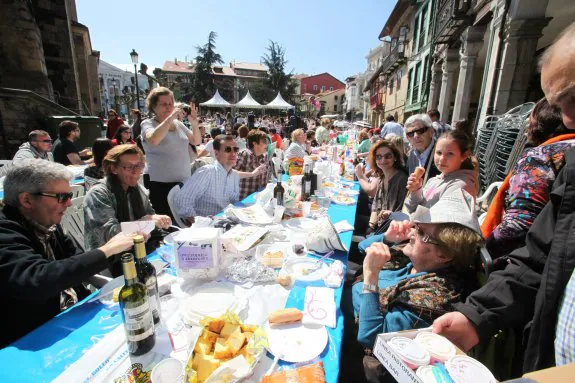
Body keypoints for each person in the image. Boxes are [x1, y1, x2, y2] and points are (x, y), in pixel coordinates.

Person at [432, 23, 575, 373]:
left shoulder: (543, 157)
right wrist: (477, 315)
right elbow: (540, 256)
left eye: (573, 99)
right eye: (560, 106)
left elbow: (519, 226)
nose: (568, 119)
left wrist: (484, 241)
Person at [0, 159, 137, 348]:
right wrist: (108, 249)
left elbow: (76, 260)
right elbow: (37, 280)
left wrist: (122, 246)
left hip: (71, 316)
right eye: (62, 197)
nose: (70, 203)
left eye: (70, 195)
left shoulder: (46, 222)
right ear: (26, 200)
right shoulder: (5, 231)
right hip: (36, 338)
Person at [343, 189, 483, 351]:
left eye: (421, 232)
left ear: (444, 255)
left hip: (346, 336)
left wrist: (371, 278)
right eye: (416, 226)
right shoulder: (416, 259)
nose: (412, 232)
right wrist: (387, 238)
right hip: (343, 297)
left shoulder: (431, 296)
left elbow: (371, 337)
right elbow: (363, 248)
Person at [482, 98, 575, 259]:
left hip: (533, 261)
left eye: (530, 121)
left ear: (538, 124)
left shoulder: (540, 158)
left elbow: (517, 226)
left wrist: (480, 252)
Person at [84, 145, 172, 277]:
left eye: (139, 166)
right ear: (113, 169)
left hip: (141, 252)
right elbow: (109, 235)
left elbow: (150, 215)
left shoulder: (138, 189)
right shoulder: (99, 194)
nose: (136, 172)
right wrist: (145, 222)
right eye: (129, 167)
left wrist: (158, 219)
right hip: (111, 262)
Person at [174, 135, 263, 225]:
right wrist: (199, 224)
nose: (233, 153)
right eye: (228, 150)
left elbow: (233, 202)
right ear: (216, 153)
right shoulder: (207, 172)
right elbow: (182, 200)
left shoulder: (233, 175)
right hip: (210, 227)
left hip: (227, 222)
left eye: (235, 149)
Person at [141, 87, 201, 218]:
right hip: (161, 186)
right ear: (153, 106)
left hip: (184, 184)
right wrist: (170, 118)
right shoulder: (147, 123)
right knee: (166, 226)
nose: (168, 107)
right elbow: (154, 139)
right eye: (163, 104)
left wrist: (194, 123)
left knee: (186, 222)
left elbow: (196, 141)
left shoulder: (178, 124)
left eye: (170, 104)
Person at [404, 130, 477, 213]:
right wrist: (416, 190)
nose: (442, 159)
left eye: (450, 154)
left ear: (464, 156)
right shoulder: (433, 180)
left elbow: (441, 221)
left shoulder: (461, 186)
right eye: (439, 152)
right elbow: (411, 208)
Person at [356, 140, 408, 253]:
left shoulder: (401, 179)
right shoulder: (383, 176)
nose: (383, 160)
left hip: (390, 232)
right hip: (378, 226)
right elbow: (375, 204)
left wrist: (373, 233)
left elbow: (401, 213)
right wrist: (371, 226)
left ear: (395, 158)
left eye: (387, 156)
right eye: (379, 157)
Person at [235, 130, 270, 199]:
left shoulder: (265, 155)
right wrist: (252, 173)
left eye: (267, 141)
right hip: (245, 198)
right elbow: (230, 173)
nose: (267, 144)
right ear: (255, 143)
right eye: (264, 141)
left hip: (260, 197)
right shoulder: (245, 154)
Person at [404, 113, 440, 179]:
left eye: (420, 131)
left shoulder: (441, 153)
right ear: (407, 137)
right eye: (410, 133)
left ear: (431, 131)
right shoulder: (411, 154)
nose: (416, 136)